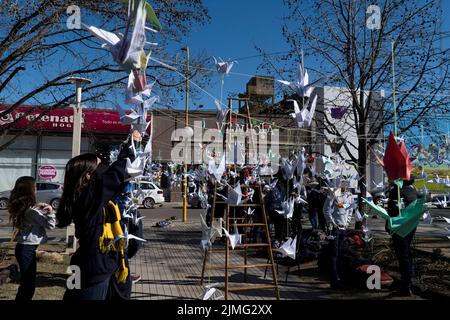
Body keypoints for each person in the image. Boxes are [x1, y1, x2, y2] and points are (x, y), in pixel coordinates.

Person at [57, 133, 136, 300]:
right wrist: (131, 146)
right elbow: (114, 175)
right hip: (92, 271)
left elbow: (114, 178)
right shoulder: (86, 197)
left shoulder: (88, 198)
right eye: (101, 166)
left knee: (71, 296)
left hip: (84, 265)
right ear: (88, 175)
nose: (105, 167)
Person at [8, 176, 56, 300]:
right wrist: (50, 211)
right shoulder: (32, 212)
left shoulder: (24, 208)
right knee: (28, 286)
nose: (36, 190)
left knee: (26, 284)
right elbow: (50, 225)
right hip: (27, 250)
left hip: (24, 249)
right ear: (29, 190)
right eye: (34, 187)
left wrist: (38, 209)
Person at [387, 178, 418, 296]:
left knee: (403, 255)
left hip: (399, 228)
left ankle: (406, 285)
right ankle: (410, 280)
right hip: (411, 227)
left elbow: (392, 210)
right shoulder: (413, 191)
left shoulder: (396, 191)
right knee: (407, 253)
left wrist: (389, 227)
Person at [323, 184, 353, 290]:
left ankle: (340, 278)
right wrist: (333, 223)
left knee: (340, 253)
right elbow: (326, 210)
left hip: (343, 229)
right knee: (334, 254)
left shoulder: (350, 196)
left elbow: (350, 211)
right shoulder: (333, 195)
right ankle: (334, 280)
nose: (345, 184)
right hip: (334, 229)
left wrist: (347, 223)